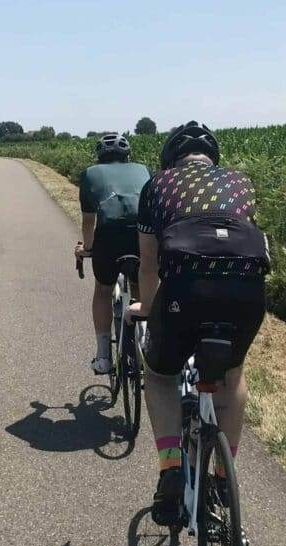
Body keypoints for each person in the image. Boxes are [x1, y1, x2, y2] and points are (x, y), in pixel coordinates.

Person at [129, 122, 270, 525]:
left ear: (170, 159)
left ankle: (171, 468)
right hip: (246, 293)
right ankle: (224, 477)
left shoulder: (157, 185)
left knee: (159, 374)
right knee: (232, 376)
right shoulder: (241, 182)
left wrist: (148, 308)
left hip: (185, 293)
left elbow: (150, 264)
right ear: (213, 159)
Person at [73, 133, 151, 375]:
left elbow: (88, 222)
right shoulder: (144, 169)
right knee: (142, 285)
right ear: (128, 155)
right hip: (142, 233)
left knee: (103, 289)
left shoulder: (89, 174)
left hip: (109, 234)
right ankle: (144, 346)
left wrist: (87, 249)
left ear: (100, 156)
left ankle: (104, 357)